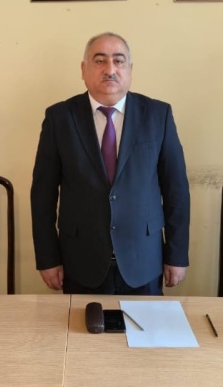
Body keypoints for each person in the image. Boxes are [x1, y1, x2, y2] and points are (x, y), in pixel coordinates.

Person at [31, 32, 190, 295]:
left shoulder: (158, 115)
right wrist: (47, 258)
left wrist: (177, 254)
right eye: (100, 61)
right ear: (84, 69)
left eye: (119, 61)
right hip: (80, 262)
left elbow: (176, 190)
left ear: (130, 69)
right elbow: (42, 195)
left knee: (145, 323)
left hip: (144, 260)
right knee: (82, 324)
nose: (110, 69)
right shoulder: (60, 118)